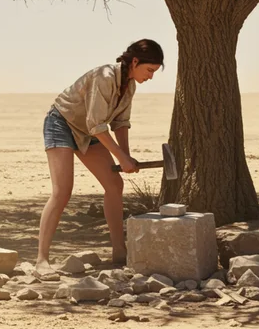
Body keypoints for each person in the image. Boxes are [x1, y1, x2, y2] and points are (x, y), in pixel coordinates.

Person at [36, 39, 164, 275]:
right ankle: (42, 261)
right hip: (62, 124)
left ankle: (119, 251)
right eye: (149, 70)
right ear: (135, 61)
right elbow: (96, 123)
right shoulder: (104, 77)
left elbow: (120, 123)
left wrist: (125, 157)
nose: (151, 77)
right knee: (62, 191)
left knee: (115, 184)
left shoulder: (130, 85)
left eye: (154, 72)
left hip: (91, 130)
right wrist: (121, 158)